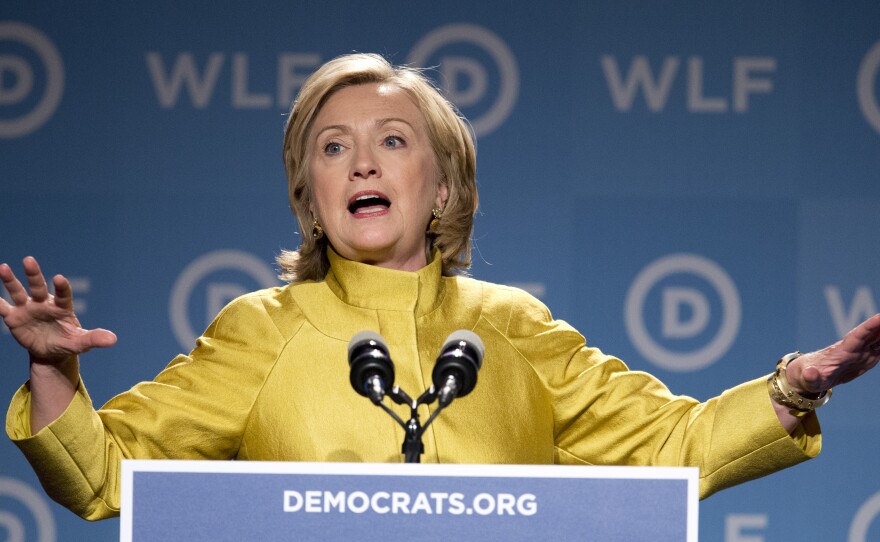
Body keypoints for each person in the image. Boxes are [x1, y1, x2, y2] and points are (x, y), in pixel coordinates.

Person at [2, 53, 879, 521]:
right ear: (310, 197)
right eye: (332, 148)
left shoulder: (516, 328)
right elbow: (105, 481)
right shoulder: (261, 331)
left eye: (391, 139)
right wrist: (52, 373)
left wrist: (792, 386)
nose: (360, 162)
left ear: (445, 186)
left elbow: (673, 448)